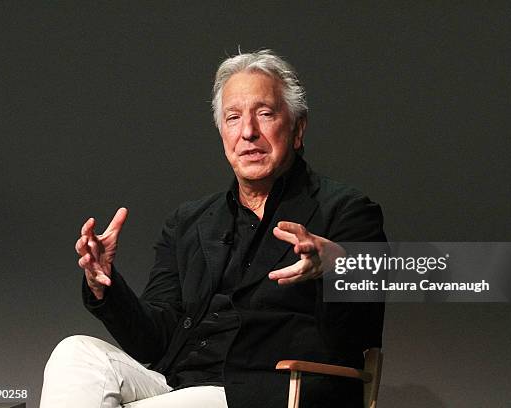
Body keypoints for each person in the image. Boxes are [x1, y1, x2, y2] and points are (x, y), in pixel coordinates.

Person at [40, 49, 386, 408]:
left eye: (265, 114)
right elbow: (153, 342)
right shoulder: (188, 221)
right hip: (175, 384)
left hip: (263, 393)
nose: (248, 132)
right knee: (75, 353)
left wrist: (335, 264)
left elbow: (359, 331)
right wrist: (105, 287)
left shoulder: (346, 210)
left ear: (298, 129)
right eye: (233, 118)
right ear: (222, 134)